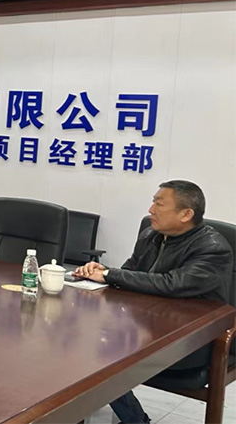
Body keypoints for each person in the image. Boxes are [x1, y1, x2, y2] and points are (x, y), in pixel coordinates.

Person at [74, 180, 232, 424]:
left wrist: (110, 274)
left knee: (101, 356)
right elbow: (128, 273)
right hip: (146, 328)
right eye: (153, 202)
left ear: (186, 214)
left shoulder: (213, 249)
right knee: (82, 344)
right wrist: (100, 271)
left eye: (159, 204)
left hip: (190, 341)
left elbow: (172, 284)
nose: (150, 210)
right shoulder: (151, 235)